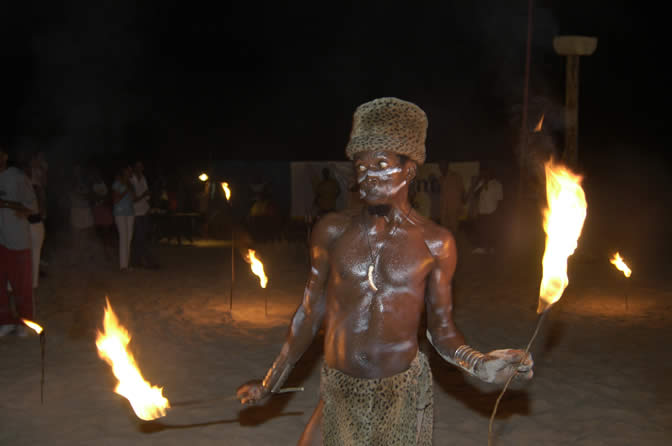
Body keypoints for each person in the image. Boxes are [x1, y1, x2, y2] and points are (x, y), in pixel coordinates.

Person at [236, 98, 533, 445]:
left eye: (380, 164)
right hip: (339, 389)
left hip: (400, 396)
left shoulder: (436, 243)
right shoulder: (331, 231)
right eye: (361, 167)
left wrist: (479, 363)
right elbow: (309, 312)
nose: (368, 176)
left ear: (409, 170)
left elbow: (442, 330)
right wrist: (271, 382)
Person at [0, 145, 38, 336]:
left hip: (18, 240)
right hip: (1, 240)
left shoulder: (18, 178)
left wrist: (6, 203)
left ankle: (25, 322)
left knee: (21, 284)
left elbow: (32, 207)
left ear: (4, 156)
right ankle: (5, 321)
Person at [468, 167, 503, 254]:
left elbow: (500, 199)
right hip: (482, 211)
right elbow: (475, 194)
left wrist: (498, 212)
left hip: (492, 211)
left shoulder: (497, 184)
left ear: (490, 173)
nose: (485, 174)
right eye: (483, 173)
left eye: (486, 172)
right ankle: (482, 247)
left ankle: (491, 248)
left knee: (492, 230)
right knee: (482, 230)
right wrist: (482, 185)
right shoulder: (481, 183)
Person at [130, 161, 158, 268]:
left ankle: (139, 260)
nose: (140, 168)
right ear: (134, 168)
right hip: (135, 212)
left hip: (144, 210)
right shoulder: (131, 179)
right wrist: (144, 195)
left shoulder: (143, 178)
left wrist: (149, 206)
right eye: (138, 166)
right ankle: (143, 260)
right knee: (138, 237)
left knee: (143, 237)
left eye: (141, 166)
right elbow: (134, 199)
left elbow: (147, 195)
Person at [111, 165, 135, 271]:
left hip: (130, 213)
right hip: (120, 213)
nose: (130, 172)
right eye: (128, 170)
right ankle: (123, 266)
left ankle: (126, 264)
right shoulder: (117, 183)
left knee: (129, 239)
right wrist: (126, 191)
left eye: (131, 171)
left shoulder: (130, 183)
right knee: (123, 238)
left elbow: (133, 198)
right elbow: (115, 200)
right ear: (123, 171)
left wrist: (131, 190)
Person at [91, 166, 116, 261]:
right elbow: (93, 197)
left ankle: (107, 254)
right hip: (97, 209)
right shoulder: (92, 184)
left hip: (105, 209)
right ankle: (99, 253)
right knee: (98, 233)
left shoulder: (105, 182)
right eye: (94, 174)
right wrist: (102, 198)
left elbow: (109, 196)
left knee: (107, 233)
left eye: (97, 173)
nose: (96, 175)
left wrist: (103, 198)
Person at [438, 160, 465, 235]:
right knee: (444, 231)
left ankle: (454, 245)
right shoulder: (440, 179)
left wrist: (461, 206)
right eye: (440, 166)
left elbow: (462, 191)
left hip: (454, 208)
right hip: (443, 209)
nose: (441, 167)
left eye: (443, 165)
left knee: (454, 230)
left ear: (447, 166)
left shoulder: (456, 176)